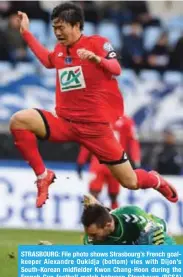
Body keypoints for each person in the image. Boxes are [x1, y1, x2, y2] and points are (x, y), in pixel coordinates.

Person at [9, 2, 178, 208]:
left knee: (130, 181)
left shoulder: (98, 42)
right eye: (54, 28)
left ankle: (155, 180)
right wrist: (26, 33)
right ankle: (43, 176)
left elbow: (116, 68)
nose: (57, 33)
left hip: (96, 130)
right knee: (19, 121)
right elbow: (47, 60)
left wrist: (98, 60)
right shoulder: (60, 50)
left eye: (61, 27)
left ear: (77, 25)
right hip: (65, 123)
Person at [77, 115, 141, 209]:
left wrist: (81, 161)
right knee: (106, 196)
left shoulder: (98, 118)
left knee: (104, 195)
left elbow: (88, 141)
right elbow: (133, 142)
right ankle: (96, 220)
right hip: (115, 164)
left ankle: (106, 220)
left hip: (102, 163)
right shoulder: (126, 121)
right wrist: (136, 161)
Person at [81, 195, 176, 245]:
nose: (91, 238)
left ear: (108, 225)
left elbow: (158, 230)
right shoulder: (90, 242)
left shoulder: (133, 215)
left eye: (94, 234)